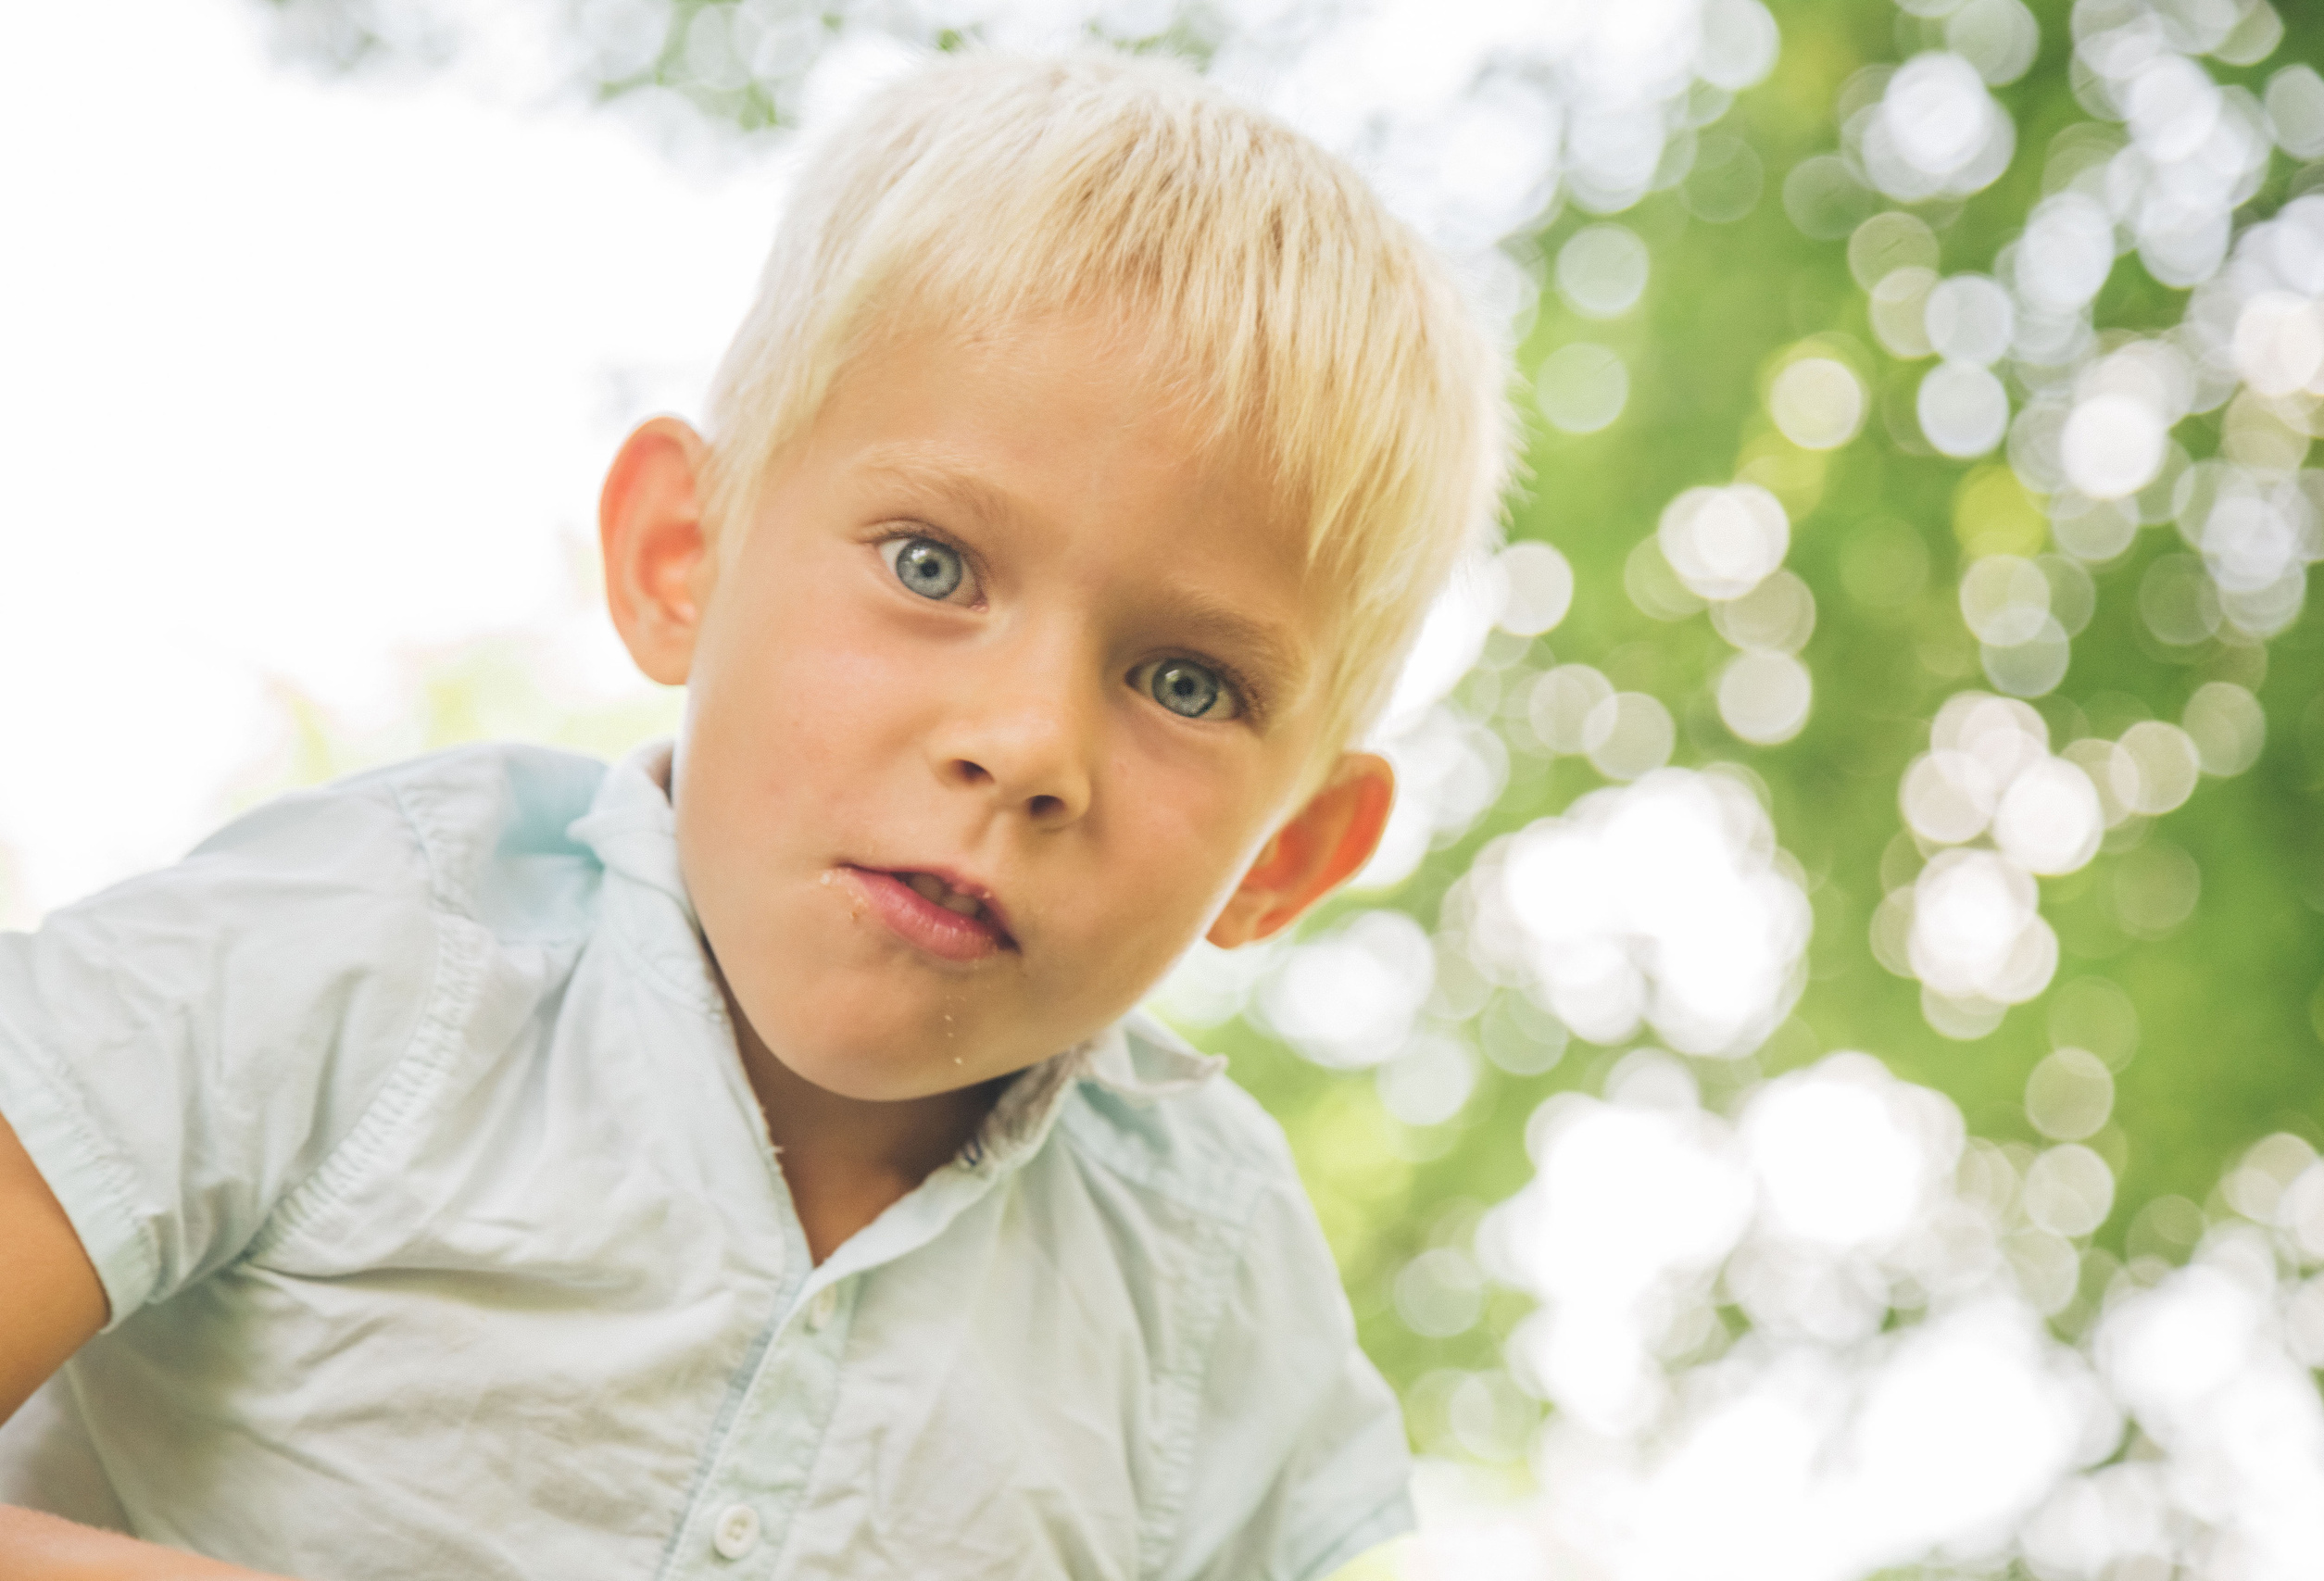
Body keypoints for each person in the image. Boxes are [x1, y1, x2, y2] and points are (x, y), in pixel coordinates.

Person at [0, 47, 1507, 1581]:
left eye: (1185, 683)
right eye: (932, 567)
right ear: (682, 559)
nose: (1028, 744)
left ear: (1291, 855)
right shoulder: (359, 956)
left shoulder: (1208, 1279)